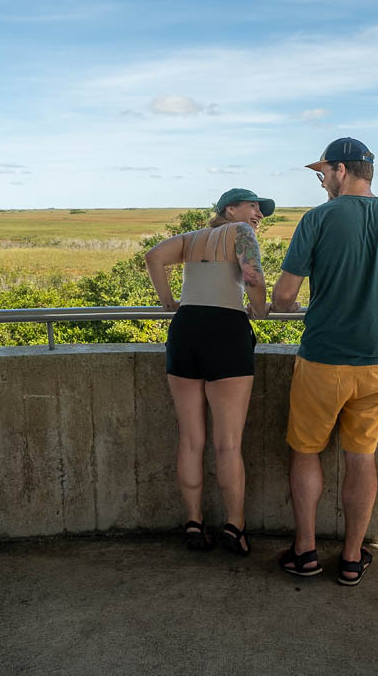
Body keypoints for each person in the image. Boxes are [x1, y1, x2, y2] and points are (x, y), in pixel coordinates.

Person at [270, 138, 378, 586]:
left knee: (306, 452)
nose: (322, 180)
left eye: (323, 172)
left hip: (322, 361)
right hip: (377, 362)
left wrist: (286, 309)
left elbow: (285, 296)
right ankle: (350, 558)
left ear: (342, 170)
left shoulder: (318, 219)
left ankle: (305, 551)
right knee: (361, 457)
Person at [145, 187, 274, 557]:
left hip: (185, 330)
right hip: (225, 332)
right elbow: (252, 277)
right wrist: (260, 308)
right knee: (228, 443)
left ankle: (193, 522)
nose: (258, 215)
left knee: (190, 439)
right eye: (253, 207)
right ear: (230, 210)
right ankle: (235, 527)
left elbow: (153, 257)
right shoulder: (241, 234)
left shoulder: (190, 239)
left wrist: (168, 302)